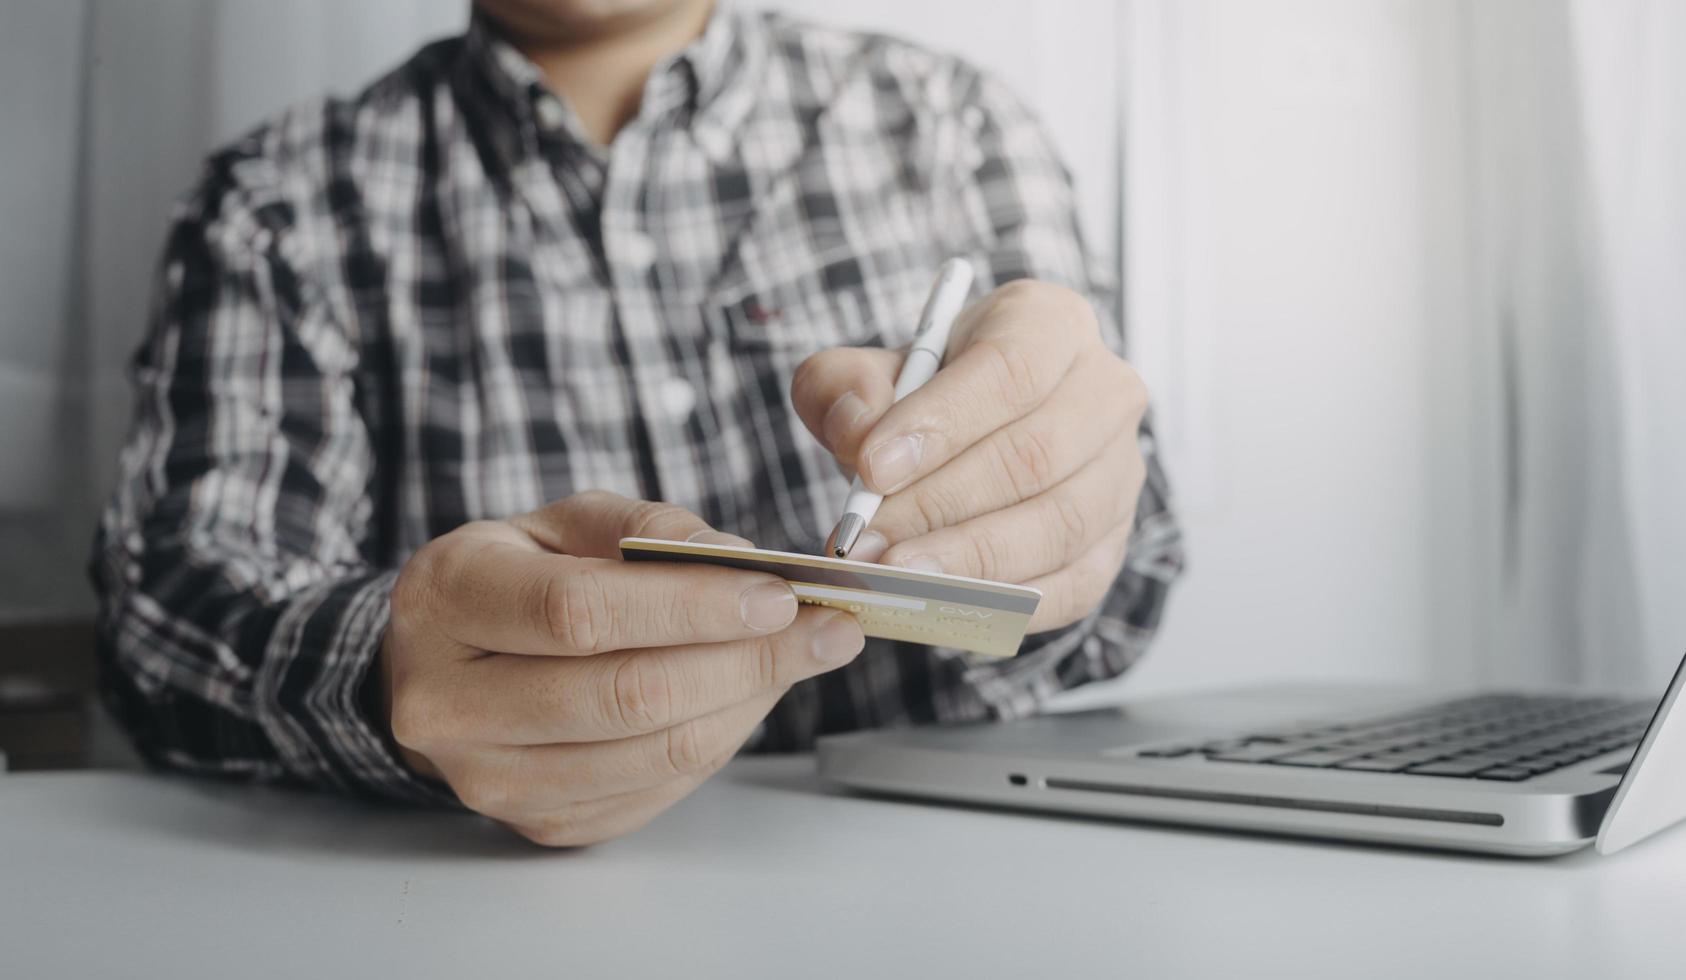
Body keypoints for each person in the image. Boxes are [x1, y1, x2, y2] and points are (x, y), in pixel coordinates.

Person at [91, 0, 1183, 846]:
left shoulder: (955, 125)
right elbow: (166, 626)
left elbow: (1136, 570)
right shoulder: (279, 205)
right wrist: (386, 676)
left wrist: (1071, 516)